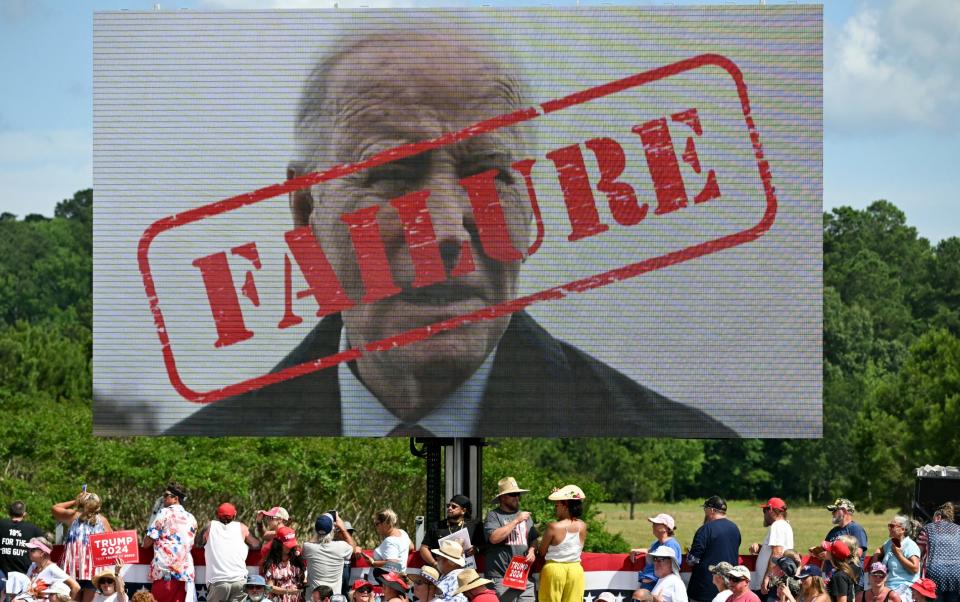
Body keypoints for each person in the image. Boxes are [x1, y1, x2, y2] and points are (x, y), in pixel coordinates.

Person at [165, 25, 739, 439]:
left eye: (489, 176)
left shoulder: (668, 433)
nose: (445, 229)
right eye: (393, 175)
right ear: (306, 212)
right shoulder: (200, 445)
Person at [52, 491, 113, 602]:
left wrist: (75, 501)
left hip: (74, 569)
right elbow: (112, 543)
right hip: (92, 570)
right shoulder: (102, 521)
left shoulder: (73, 516)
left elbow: (55, 508)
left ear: (82, 503)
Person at [484, 477, 538, 602]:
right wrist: (516, 521)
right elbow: (494, 538)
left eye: (518, 494)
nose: (516, 498)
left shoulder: (525, 516)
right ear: (502, 498)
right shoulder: (494, 515)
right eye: (512, 494)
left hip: (524, 577)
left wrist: (532, 550)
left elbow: (533, 539)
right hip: (501, 578)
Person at [142, 482, 197, 602]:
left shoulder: (164, 512)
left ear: (175, 498)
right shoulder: (191, 517)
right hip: (185, 573)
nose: (163, 498)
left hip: (165, 571)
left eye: (166, 495)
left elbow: (147, 543)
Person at [199, 503, 261, 602]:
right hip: (239, 581)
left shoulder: (209, 527)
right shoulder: (242, 528)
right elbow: (256, 544)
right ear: (235, 515)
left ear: (217, 515)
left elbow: (198, 543)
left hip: (218, 581)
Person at [687, 496, 741, 602]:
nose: (704, 512)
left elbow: (692, 560)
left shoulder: (705, 529)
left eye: (705, 509)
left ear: (711, 510)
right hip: (729, 588)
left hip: (704, 590)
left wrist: (690, 554)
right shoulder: (735, 528)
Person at [538, 485, 587, 602]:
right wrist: (561, 495)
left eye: (557, 505)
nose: (556, 508)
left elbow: (542, 552)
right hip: (575, 570)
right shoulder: (582, 525)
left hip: (554, 569)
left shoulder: (553, 527)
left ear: (565, 506)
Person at [421, 496, 484, 571]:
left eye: (454, 507)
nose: (449, 508)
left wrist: (476, 549)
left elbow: (485, 545)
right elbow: (424, 548)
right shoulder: (436, 526)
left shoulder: (475, 525)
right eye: (448, 506)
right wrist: (435, 564)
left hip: (466, 570)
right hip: (442, 571)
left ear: (463, 510)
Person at [302, 513, 356, 599]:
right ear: (332, 530)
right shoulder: (341, 546)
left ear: (315, 530)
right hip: (334, 598)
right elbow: (354, 548)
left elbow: (313, 540)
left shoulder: (308, 547)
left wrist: (320, 525)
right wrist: (342, 528)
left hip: (313, 599)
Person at [749, 499, 794, 601]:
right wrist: (761, 548)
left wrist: (767, 578)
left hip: (772, 583)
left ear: (771, 510)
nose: (764, 514)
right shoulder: (785, 525)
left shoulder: (777, 526)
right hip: (777, 581)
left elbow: (777, 552)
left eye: (765, 510)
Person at [12, 536, 81, 601]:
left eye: (32, 550)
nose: (28, 552)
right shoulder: (33, 566)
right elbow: (26, 590)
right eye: (29, 549)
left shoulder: (52, 569)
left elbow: (76, 587)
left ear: (42, 553)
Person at [817, 499, 867, 583]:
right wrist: (817, 552)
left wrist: (831, 555)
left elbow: (858, 553)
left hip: (850, 579)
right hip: (831, 579)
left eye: (835, 510)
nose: (832, 513)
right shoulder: (833, 531)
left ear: (844, 511)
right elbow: (826, 551)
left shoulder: (856, 529)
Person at [919, 502, 960, 602]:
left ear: (938, 517)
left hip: (934, 573)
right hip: (957, 573)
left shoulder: (928, 528)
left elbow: (918, 551)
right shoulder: (959, 529)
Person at [632, 514, 682, 592]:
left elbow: (672, 568)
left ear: (666, 528)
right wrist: (636, 550)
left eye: (656, 524)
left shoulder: (671, 545)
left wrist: (652, 580)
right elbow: (652, 551)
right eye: (653, 524)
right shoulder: (657, 543)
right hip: (649, 585)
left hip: (657, 587)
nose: (653, 526)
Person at [876, 516, 920, 602]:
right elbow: (879, 550)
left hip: (904, 588)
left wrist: (898, 555)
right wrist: (875, 561)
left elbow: (915, 569)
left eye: (892, 526)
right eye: (889, 525)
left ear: (902, 530)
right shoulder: (890, 542)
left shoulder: (910, 545)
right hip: (888, 587)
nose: (889, 528)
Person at [262, 527, 306, 602]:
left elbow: (303, 576)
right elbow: (270, 587)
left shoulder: (297, 557)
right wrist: (287, 591)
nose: (291, 546)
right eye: (288, 544)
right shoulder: (272, 563)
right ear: (278, 544)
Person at [362, 510, 412, 576]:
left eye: (377, 523)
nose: (376, 527)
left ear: (386, 523)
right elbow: (411, 547)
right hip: (398, 579)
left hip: (385, 582)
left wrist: (373, 563)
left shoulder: (390, 541)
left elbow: (393, 564)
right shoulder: (402, 533)